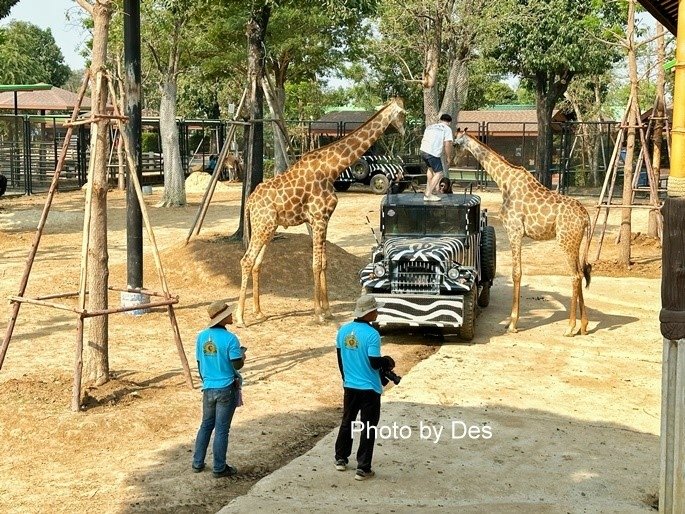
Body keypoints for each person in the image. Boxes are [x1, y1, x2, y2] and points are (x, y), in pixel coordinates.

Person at [334, 294, 396, 481]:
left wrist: (346, 379)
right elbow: (374, 362)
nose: (377, 312)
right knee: (368, 427)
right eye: (375, 309)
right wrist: (387, 361)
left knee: (347, 422)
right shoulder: (372, 335)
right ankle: (363, 468)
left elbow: (340, 359)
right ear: (369, 313)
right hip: (369, 388)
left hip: (350, 385)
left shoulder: (343, 331)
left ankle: (341, 458)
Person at [192, 301, 246, 478]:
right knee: (222, 429)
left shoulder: (201, 337)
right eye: (229, 314)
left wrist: (207, 380)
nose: (232, 315)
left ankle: (197, 462)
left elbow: (200, 364)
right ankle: (219, 467)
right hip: (226, 388)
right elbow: (237, 363)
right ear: (223, 318)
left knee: (206, 425)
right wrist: (242, 355)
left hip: (208, 387)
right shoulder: (231, 339)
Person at [420, 113, 454, 202]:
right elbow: (447, 144)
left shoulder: (430, 127)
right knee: (439, 173)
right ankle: (428, 194)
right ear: (449, 122)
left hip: (423, 150)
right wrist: (449, 157)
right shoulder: (447, 129)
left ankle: (428, 190)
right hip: (433, 153)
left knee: (430, 169)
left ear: (440, 120)